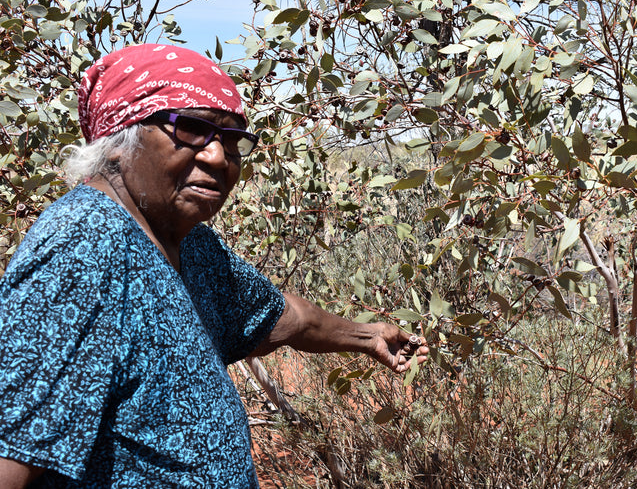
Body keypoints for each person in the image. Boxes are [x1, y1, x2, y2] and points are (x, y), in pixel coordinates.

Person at [0, 43, 428, 488]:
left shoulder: (191, 245)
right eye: (190, 128)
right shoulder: (82, 249)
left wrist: (369, 335)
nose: (218, 157)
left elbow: (281, 316)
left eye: (231, 140)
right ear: (117, 142)